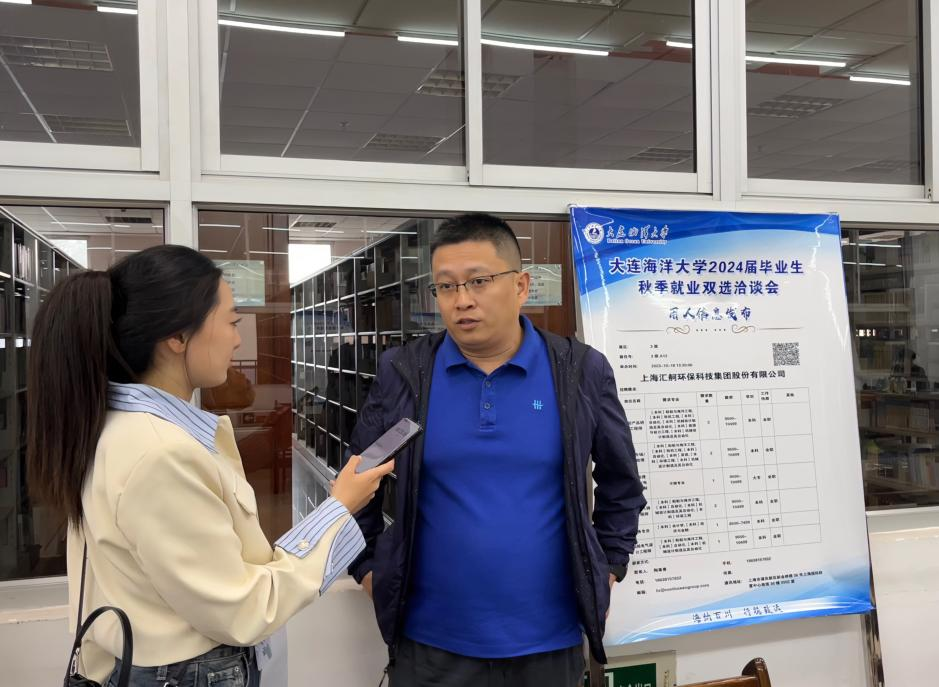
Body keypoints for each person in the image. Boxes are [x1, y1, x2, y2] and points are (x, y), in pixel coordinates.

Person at [27, 245, 393, 686]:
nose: (238, 340)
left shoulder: (116, 427)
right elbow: (247, 609)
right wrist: (340, 510)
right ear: (178, 336)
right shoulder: (160, 454)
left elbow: (220, 570)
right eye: (231, 321)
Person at [347, 213, 646, 687]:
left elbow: (621, 483)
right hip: (430, 646)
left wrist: (608, 564)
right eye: (446, 286)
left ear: (521, 286)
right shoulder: (405, 374)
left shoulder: (579, 372)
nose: (462, 300)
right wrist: (366, 567)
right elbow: (357, 478)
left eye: (479, 281)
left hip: (549, 645)